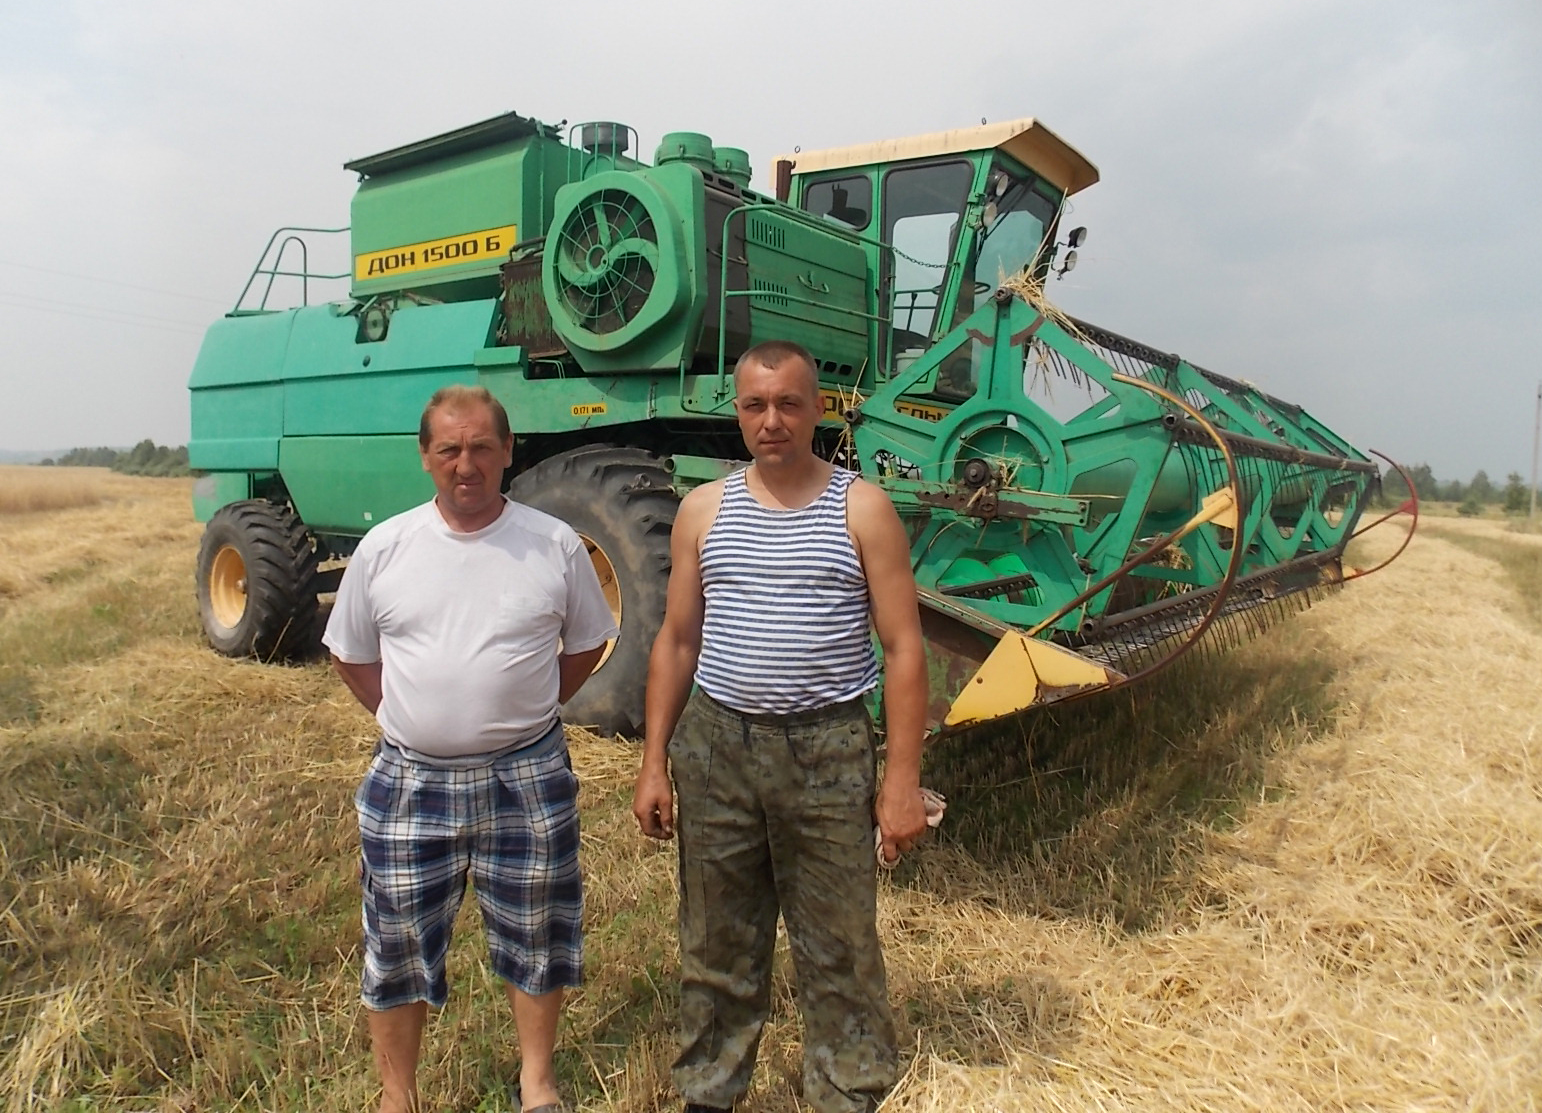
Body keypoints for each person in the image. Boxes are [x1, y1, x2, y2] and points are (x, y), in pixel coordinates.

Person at [632, 340, 931, 1113]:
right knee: (716, 937)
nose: (772, 421)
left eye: (789, 403)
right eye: (755, 405)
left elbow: (902, 649)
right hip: (719, 747)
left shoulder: (861, 507)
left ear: (818, 408)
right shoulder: (704, 509)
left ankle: (847, 1088)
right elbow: (677, 640)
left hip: (827, 749)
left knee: (839, 942)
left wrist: (899, 780)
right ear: (737, 411)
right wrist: (654, 760)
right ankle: (709, 1089)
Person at [324, 384, 618, 1113]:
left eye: (482, 446)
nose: (467, 463)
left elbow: (587, 641)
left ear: (509, 451)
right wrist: (406, 713)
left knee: (539, 930)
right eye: (450, 448)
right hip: (410, 780)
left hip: (527, 773)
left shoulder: (551, 543)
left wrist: (526, 702)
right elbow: (352, 653)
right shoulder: (385, 548)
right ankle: (398, 1095)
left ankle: (537, 1082)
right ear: (425, 457)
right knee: (395, 941)